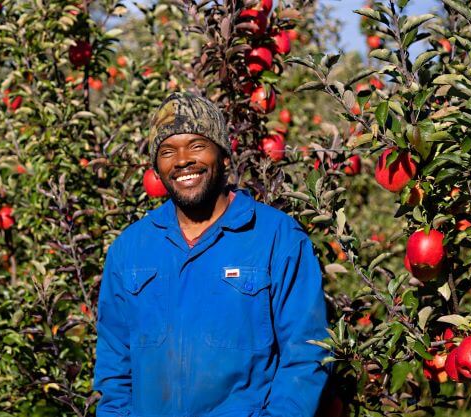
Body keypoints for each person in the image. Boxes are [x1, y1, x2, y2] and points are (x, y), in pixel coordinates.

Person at [94, 91, 330, 417]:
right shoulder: (130, 249)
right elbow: (114, 360)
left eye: (196, 146)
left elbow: (306, 354)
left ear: (224, 157)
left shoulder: (277, 239)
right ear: (157, 168)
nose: (182, 160)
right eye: (167, 151)